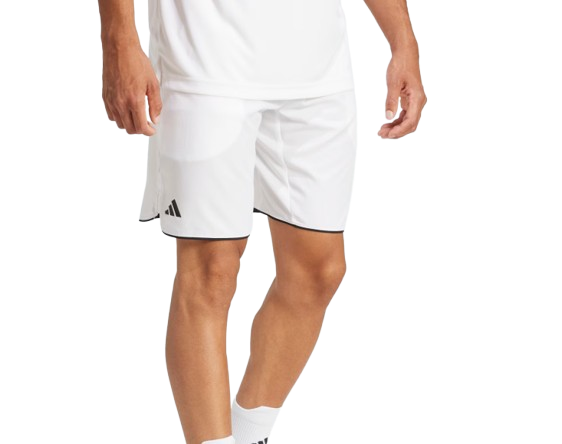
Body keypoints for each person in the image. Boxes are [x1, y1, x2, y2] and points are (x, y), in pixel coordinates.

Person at [98, 1, 427, 443]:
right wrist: (118, 38)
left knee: (318, 271)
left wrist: (403, 43)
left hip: (316, 66)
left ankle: (249, 434)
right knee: (211, 270)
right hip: (202, 57)